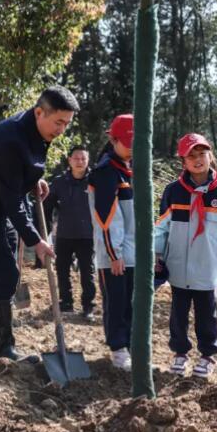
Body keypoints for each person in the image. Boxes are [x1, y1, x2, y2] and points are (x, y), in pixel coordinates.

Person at [0, 87, 78, 362]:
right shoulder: (11, 138)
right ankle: (3, 349)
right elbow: (12, 200)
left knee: (0, 273)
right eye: (58, 122)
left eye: (67, 124)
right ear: (38, 112)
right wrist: (36, 240)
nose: (61, 130)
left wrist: (32, 180)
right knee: (8, 274)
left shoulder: (36, 132)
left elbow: (15, 174)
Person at [154, 133, 217, 379]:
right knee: (177, 314)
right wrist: (156, 255)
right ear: (183, 162)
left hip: (208, 268)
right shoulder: (173, 192)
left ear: (211, 157)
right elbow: (161, 227)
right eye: (191, 156)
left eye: (202, 154)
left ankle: (208, 356)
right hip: (177, 268)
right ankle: (180, 353)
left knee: (206, 316)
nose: (198, 160)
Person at [89, 115, 135, 371]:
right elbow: (106, 219)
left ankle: (129, 345)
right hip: (115, 256)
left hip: (133, 252)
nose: (132, 146)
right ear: (113, 139)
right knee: (116, 302)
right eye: (127, 142)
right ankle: (118, 348)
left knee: (130, 301)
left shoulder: (131, 168)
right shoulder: (107, 172)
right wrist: (114, 254)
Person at [43, 145, 97, 320]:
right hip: (65, 234)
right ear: (70, 160)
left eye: (83, 158)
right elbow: (47, 206)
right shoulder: (59, 182)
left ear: (88, 161)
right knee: (62, 269)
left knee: (87, 272)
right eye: (76, 158)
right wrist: (48, 230)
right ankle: (66, 302)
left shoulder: (95, 181)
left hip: (87, 235)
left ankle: (88, 306)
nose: (80, 162)